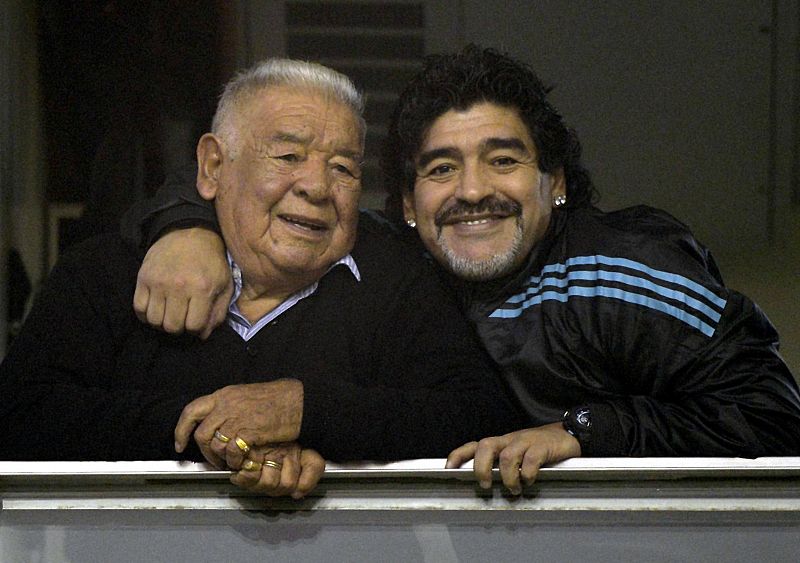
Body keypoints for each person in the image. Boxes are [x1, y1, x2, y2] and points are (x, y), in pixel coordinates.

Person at [123, 46, 800, 496]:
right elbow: (257, 193)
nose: (472, 190)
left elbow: (775, 417)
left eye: (503, 159)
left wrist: (585, 431)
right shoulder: (398, 261)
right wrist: (185, 224)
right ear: (410, 207)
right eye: (442, 168)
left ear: (555, 183)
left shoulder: (624, 271)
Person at [0, 57, 525, 498]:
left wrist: (304, 410)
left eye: (343, 167)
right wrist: (213, 436)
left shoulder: (399, 278)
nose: (318, 186)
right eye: (288, 155)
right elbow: (21, 416)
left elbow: (478, 414)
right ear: (212, 167)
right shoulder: (110, 270)